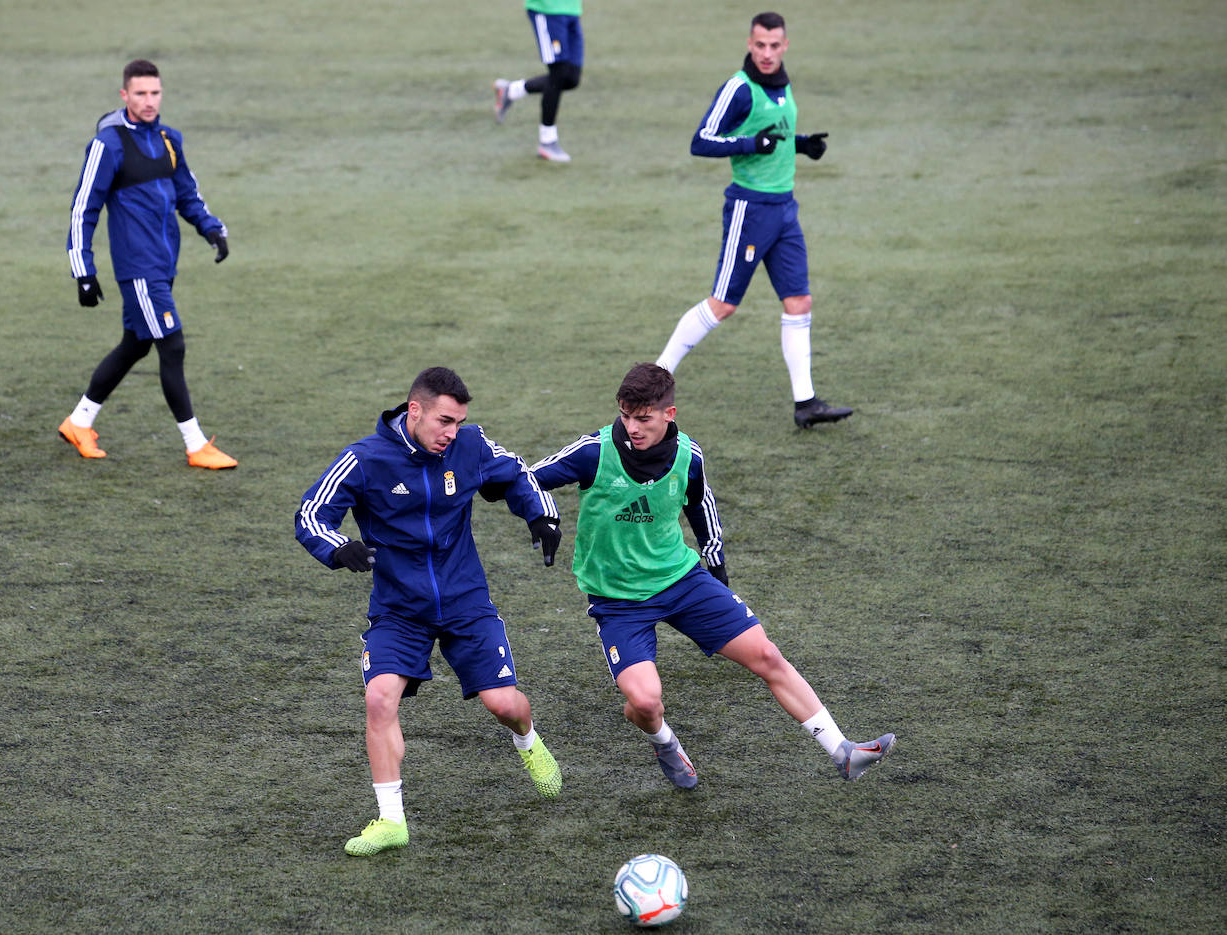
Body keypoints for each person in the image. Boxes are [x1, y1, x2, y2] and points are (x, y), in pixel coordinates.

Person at [531, 363, 893, 787]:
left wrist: (715, 563)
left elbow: (700, 505)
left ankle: (843, 751)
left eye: (643, 418)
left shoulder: (688, 454)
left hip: (682, 581)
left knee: (767, 655)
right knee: (644, 703)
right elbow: (526, 479)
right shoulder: (594, 451)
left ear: (669, 414)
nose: (631, 426)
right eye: (626, 416)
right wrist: (542, 513)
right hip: (618, 600)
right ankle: (665, 743)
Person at [294, 367, 566, 856]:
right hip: (399, 609)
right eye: (444, 421)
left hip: (465, 600)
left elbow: (517, 473)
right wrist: (337, 548)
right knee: (379, 698)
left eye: (459, 422)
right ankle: (391, 820)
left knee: (504, 705)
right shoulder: (364, 459)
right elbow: (312, 511)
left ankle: (528, 742)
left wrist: (541, 513)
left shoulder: (470, 445)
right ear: (413, 410)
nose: (451, 433)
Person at [655, 12, 851, 429]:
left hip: (785, 210)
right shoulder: (738, 89)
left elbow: (771, 137)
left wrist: (800, 145)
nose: (766, 53)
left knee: (799, 302)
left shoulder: (782, 85)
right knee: (723, 304)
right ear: (749, 42)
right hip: (750, 210)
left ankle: (806, 403)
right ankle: (655, 379)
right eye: (759, 45)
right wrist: (750, 143)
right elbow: (701, 140)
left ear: (785, 46)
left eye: (774, 46)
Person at [60, 59, 237, 469]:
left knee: (136, 344)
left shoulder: (169, 139)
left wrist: (211, 228)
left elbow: (187, 194)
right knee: (171, 346)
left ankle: (79, 421)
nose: (149, 100)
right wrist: (83, 270)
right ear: (124, 95)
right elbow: (83, 208)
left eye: (155, 93)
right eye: (140, 93)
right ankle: (195, 445)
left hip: (163, 264)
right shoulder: (108, 145)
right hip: (138, 269)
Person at [493, 0, 584, 162]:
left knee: (571, 78)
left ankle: (511, 90)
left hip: (571, 8)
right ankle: (547, 142)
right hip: (547, 9)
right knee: (559, 72)